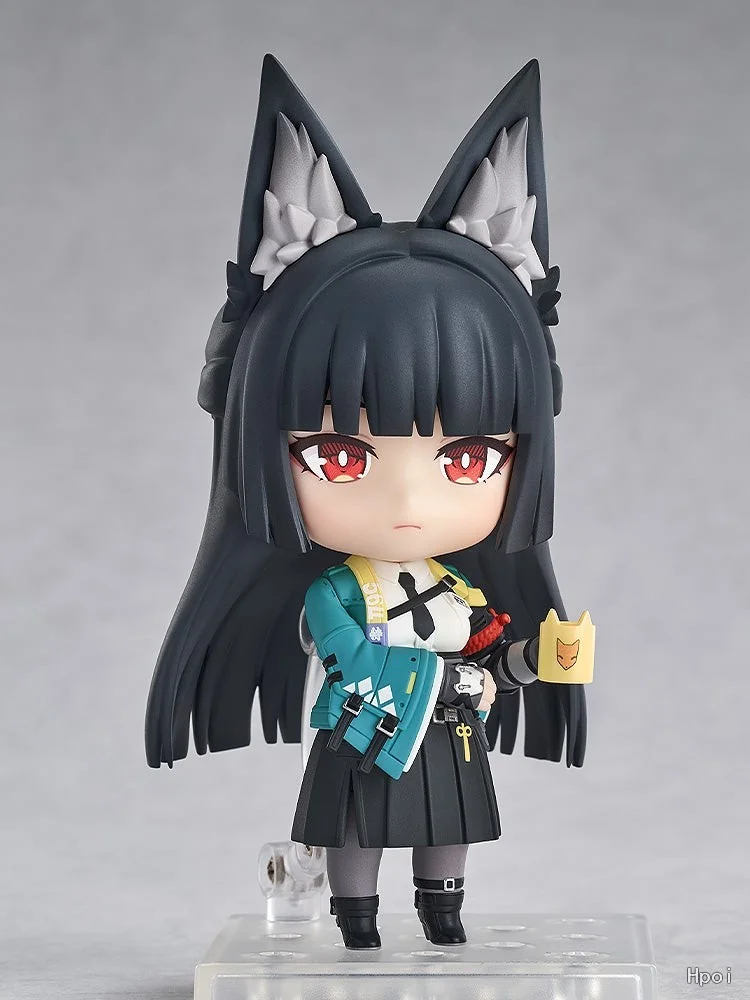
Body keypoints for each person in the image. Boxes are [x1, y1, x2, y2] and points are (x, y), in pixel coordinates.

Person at [145, 54, 587, 951]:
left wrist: (533, 662)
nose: (408, 500)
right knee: (354, 832)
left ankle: (443, 912)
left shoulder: (459, 591)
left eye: (468, 458)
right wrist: (453, 678)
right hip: (367, 730)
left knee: (448, 829)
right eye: (341, 456)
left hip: (449, 736)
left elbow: (486, 652)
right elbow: (351, 658)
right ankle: (357, 927)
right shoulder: (337, 593)